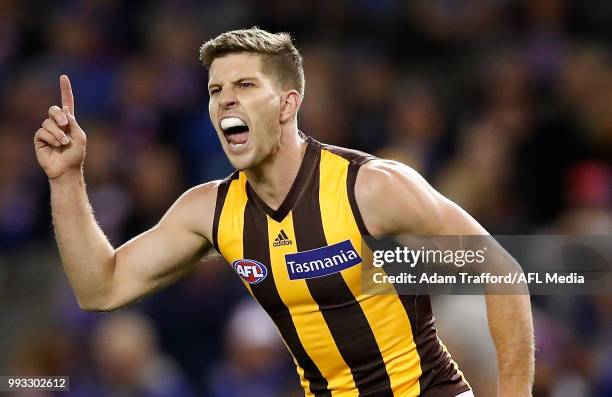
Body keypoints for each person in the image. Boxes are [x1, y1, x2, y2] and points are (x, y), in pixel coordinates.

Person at [34, 27, 534, 397]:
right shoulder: (209, 211)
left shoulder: (371, 187)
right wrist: (65, 180)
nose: (226, 98)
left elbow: (503, 272)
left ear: (287, 103)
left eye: (245, 85)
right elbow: (100, 287)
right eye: (215, 90)